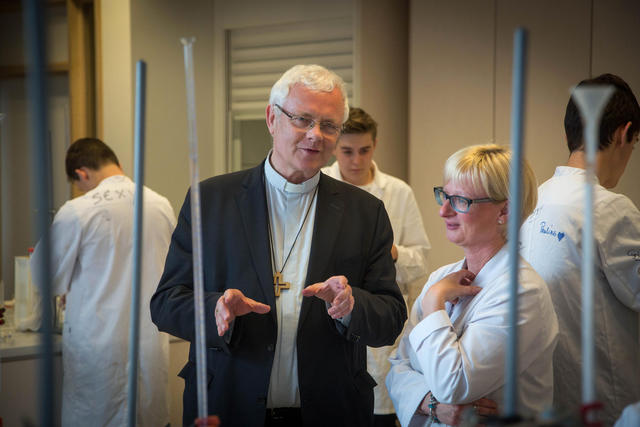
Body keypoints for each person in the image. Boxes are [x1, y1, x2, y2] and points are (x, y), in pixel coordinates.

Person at [150, 64, 407, 427]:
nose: (315, 135)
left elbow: (391, 317)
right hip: (229, 405)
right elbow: (165, 303)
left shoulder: (365, 212)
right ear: (272, 118)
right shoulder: (210, 201)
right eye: (303, 119)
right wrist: (215, 309)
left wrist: (352, 306)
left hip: (332, 411)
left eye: (329, 125)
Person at [387, 144, 558, 426]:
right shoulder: (441, 278)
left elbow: (454, 384)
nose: (443, 211)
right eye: (444, 195)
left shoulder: (522, 292)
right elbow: (397, 368)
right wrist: (432, 404)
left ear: (505, 210)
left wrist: (433, 305)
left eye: (460, 200)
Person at [520, 73, 640, 425]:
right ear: (623, 134)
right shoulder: (610, 209)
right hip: (605, 405)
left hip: (542, 399)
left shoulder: (532, 200)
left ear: (568, 133)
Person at [30, 138, 176, 426]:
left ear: (81, 174)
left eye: (79, 183)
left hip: (97, 353)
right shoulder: (161, 206)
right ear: (117, 164)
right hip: (150, 345)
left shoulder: (78, 210)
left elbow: (44, 277)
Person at [322, 107, 430, 426]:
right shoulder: (319, 185)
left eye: (364, 150)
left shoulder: (398, 192)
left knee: (380, 413)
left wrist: (390, 252)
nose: (356, 161)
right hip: (331, 326)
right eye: (347, 151)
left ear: (375, 145)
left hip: (382, 331)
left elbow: (421, 260)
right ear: (334, 148)